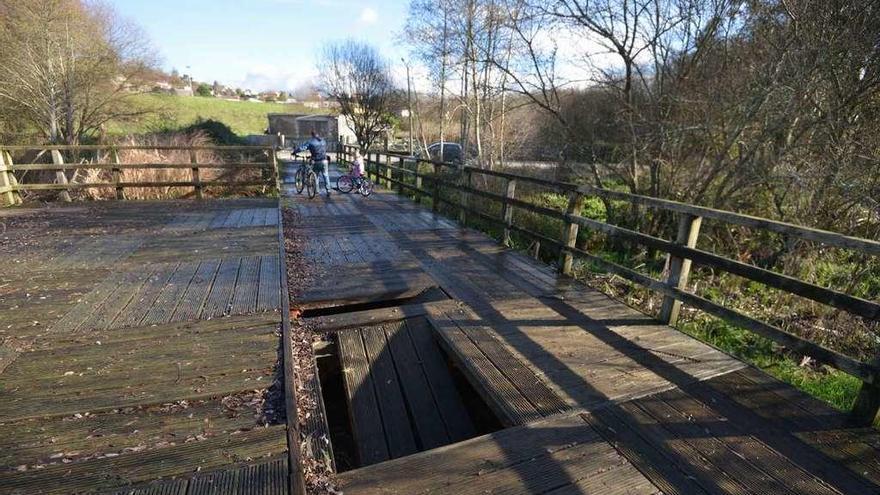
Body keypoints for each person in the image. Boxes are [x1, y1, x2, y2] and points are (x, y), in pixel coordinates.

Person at [295, 131, 331, 196]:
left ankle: (317, 190)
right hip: (324, 160)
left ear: (312, 135)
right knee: (326, 175)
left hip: (316, 161)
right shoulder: (323, 141)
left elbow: (302, 148)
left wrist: (295, 152)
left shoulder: (310, 142)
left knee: (316, 175)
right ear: (318, 135)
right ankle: (328, 190)